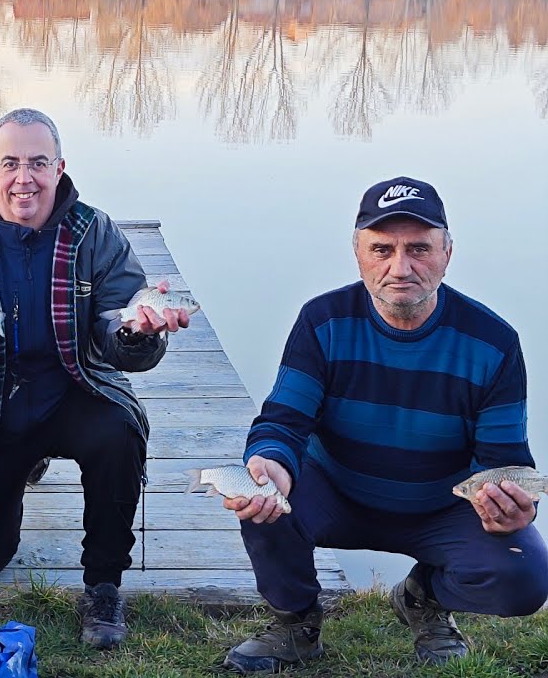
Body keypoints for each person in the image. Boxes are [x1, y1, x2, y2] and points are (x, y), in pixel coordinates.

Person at [220, 177, 548, 673]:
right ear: (358, 253)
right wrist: (271, 465)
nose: (400, 267)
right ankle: (296, 623)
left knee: (525, 576)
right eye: (382, 249)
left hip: (442, 504)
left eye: (419, 249)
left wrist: (513, 509)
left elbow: (503, 460)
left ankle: (422, 596)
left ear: (447, 253)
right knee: (262, 500)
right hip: (337, 493)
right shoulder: (323, 320)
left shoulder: (494, 341)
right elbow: (283, 423)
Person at [0, 108, 190, 649]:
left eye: (39, 163)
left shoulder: (95, 231)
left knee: (119, 434)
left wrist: (137, 331)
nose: (25, 178)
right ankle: (18, 469)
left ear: (60, 168)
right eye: (11, 163)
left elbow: (120, 336)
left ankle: (104, 584)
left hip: (75, 388)